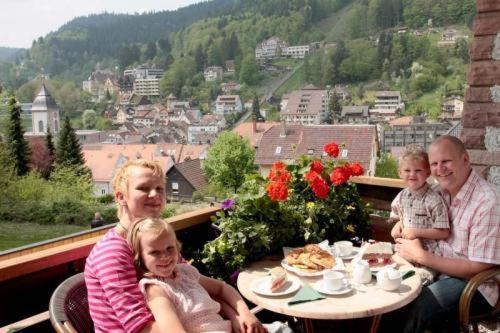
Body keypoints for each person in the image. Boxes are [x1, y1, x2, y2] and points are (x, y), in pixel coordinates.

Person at [84, 159, 265, 333]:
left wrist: (237, 317)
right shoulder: (112, 252)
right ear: (121, 196)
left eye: (159, 189)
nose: (155, 195)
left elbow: (195, 293)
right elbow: (141, 328)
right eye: (143, 188)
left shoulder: (159, 242)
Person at [383, 136, 500, 333]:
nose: (440, 169)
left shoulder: (488, 202)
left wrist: (420, 256)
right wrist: (401, 224)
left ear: (465, 159)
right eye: (434, 164)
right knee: (390, 293)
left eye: (446, 161)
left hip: (474, 285)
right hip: (435, 270)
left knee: (420, 306)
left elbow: (478, 267)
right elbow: (410, 210)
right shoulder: (438, 192)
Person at [129, 217, 288, 333]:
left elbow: (222, 288)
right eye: (154, 252)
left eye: (170, 248)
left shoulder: (186, 271)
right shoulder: (156, 289)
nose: (165, 256)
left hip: (229, 327)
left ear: (177, 248)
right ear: (141, 257)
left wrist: (245, 313)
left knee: (282, 329)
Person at [389, 145, 450, 284]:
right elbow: (399, 216)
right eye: (407, 170)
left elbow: (444, 232)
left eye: (418, 170)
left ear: (428, 173)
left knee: (417, 281)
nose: (412, 174)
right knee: (390, 276)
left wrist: (416, 232)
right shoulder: (402, 196)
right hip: (404, 252)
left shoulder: (434, 200)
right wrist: (397, 225)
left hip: (428, 258)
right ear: (400, 173)